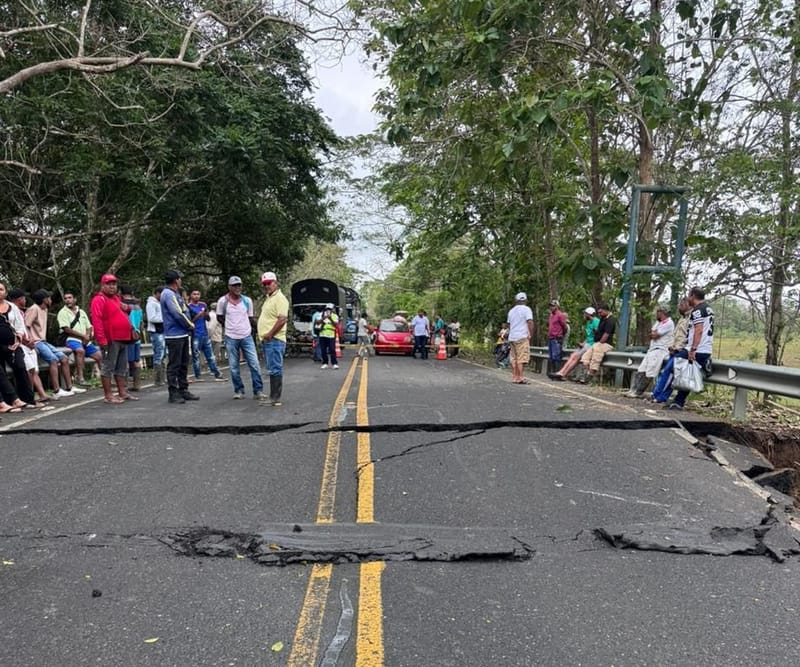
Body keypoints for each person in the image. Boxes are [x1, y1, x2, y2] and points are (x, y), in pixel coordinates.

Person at [25, 289, 85, 398]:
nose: (51, 300)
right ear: (44, 299)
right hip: (37, 342)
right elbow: (26, 325)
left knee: (64, 358)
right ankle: (56, 390)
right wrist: (30, 339)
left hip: (43, 341)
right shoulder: (34, 309)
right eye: (49, 298)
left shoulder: (45, 309)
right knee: (53, 360)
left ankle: (69, 387)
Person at [90, 274, 138, 404]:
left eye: (114, 284)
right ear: (103, 285)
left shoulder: (116, 298)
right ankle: (108, 395)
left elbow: (124, 310)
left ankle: (122, 392)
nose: (112, 286)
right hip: (111, 338)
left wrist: (126, 308)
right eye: (109, 284)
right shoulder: (99, 299)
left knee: (122, 367)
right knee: (108, 366)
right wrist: (102, 340)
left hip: (123, 337)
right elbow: (97, 320)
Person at [216, 276, 264, 399]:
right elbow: (219, 317)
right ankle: (239, 390)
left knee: (254, 364)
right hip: (231, 337)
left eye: (239, 285)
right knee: (233, 367)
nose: (237, 288)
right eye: (234, 285)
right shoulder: (222, 301)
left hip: (246, 336)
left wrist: (259, 330)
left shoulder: (247, 301)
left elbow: (250, 318)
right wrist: (229, 325)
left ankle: (258, 390)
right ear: (229, 287)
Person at [666, 288, 714, 411]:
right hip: (705, 348)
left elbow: (699, 330)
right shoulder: (708, 308)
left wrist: (693, 349)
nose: (687, 299)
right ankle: (678, 402)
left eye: (688, 296)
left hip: (697, 348)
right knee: (686, 373)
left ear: (692, 296)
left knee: (675, 364)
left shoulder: (697, 311)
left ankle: (705, 366)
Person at [0, 283, 40, 409]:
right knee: (1, 372)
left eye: (1, 289)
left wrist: (19, 338)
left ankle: (27, 399)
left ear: (6, 293)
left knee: (21, 367)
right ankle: (9, 400)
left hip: (14, 343)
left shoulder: (12, 307)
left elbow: (19, 325)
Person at [160, 270, 198, 404]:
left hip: (181, 334)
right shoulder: (168, 294)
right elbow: (177, 313)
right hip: (174, 335)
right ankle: (173, 392)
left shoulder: (176, 294)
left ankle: (183, 389)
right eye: (180, 279)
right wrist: (190, 325)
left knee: (183, 364)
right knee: (174, 365)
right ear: (176, 280)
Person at [7, 288, 51, 403]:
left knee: (33, 371)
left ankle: (40, 394)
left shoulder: (20, 311)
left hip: (28, 343)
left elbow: (25, 327)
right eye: (23, 298)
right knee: (27, 371)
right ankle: (28, 397)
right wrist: (27, 341)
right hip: (21, 344)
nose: (25, 300)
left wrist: (30, 338)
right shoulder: (11, 310)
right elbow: (15, 329)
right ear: (19, 299)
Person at [624, 306, 675, 398]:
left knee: (650, 372)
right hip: (652, 349)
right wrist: (653, 334)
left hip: (660, 350)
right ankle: (633, 389)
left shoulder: (669, 323)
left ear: (661, 312)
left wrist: (653, 334)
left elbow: (655, 335)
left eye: (657, 312)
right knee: (641, 369)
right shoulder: (658, 322)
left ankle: (638, 392)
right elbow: (651, 333)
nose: (656, 314)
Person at [650, 298, 692, 404]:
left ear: (688, 305)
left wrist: (679, 347)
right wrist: (671, 346)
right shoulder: (682, 319)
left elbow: (688, 336)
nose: (679, 307)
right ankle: (658, 395)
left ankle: (660, 396)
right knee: (667, 372)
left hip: (682, 350)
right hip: (674, 349)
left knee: (669, 372)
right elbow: (675, 334)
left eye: (681, 305)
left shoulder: (692, 318)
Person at [257, 271, 289, 406]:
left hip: (274, 339)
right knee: (272, 368)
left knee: (275, 368)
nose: (267, 286)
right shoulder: (269, 298)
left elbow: (282, 319)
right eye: (264, 284)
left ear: (276, 283)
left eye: (269, 283)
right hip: (268, 340)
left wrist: (270, 334)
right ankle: (273, 396)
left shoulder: (280, 298)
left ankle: (275, 397)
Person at [57, 291, 102, 386]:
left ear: (74, 299)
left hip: (85, 339)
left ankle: (106, 378)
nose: (68, 300)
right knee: (80, 350)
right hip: (71, 339)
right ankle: (80, 378)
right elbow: (66, 328)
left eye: (69, 298)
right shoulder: (62, 312)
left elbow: (89, 326)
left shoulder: (81, 312)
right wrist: (83, 336)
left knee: (99, 356)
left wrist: (88, 335)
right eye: (65, 298)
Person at [549, 307, 600, 381]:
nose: (584, 315)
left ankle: (563, 374)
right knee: (572, 356)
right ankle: (560, 372)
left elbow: (598, 335)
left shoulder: (596, 322)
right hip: (587, 343)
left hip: (592, 344)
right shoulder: (588, 323)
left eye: (585, 314)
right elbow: (589, 336)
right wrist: (583, 343)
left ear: (589, 314)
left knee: (576, 357)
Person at [187, 289, 224, 382]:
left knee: (210, 355)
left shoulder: (203, 305)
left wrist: (206, 314)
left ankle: (216, 373)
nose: (196, 296)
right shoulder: (188, 307)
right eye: (194, 294)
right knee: (196, 356)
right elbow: (188, 321)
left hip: (204, 333)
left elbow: (208, 319)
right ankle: (198, 375)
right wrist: (198, 315)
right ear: (191, 295)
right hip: (196, 334)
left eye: (198, 294)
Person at [578, 303, 616, 383]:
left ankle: (591, 375)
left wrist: (600, 342)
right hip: (597, 343)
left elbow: (606, 334)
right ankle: (588, 374)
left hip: (605, 343)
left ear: (606, 311)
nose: (599, 314)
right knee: (585, 357)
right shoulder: (602, 318)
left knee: (596, 355)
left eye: (601, 312)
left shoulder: (611, 320)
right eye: (598, 313)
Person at [120, 285, 143, 392]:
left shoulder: (122, 305)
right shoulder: (138, 306)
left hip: (127, 335)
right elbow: (141, 322)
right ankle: (137, 384)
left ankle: (124, 385)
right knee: (136, 361)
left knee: (125, 361)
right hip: (137, 336)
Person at [507, 292, 534, 384]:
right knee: (521, 357)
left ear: (516, 300)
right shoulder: (527, 309)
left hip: (513, 336)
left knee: (514, 357)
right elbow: (530, 322)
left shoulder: (511, 311)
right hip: (522, 336)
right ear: (525, 300)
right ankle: (520, 377)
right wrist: (530, 333)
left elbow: (509, 325)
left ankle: (515, 376)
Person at [146, 286, 166, 386]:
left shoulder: (160, 304)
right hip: (156, 332)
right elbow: (152, 318)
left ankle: (163, 377)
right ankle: (158, 380)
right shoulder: (151, 303)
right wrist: (164, 319)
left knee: (163, 355)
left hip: (162, 331)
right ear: (157, 293)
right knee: (158, 355)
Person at [547, 299, 569, 374]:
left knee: (556, 356)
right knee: (551, 356)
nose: (551, 307)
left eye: (553, 306)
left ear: (557, 306)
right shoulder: (551, 316)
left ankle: (557, 372)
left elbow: (564, 326)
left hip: (556, 338)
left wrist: (560, 335)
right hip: (551, 338)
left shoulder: (560, 315)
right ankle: (553, 372)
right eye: (550, 306)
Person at [318, 303, 339, 369]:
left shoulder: (335, 316)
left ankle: (334, 363)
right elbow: (317, 322)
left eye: (330, 309)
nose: (328, 310)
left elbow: (335, 325)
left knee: (332, 349)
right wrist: (324, 318)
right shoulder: (321, 314)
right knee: (323, 350)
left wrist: (330, 318)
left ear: (332, 309)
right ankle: (325, 363)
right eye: (327, 309)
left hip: (331, 335)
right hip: (322, 334)